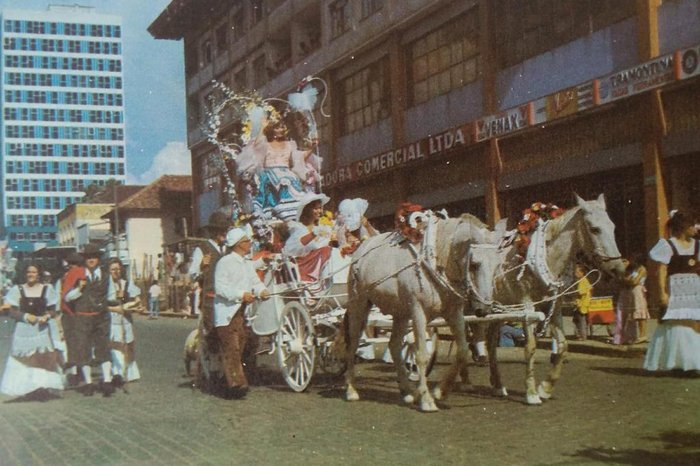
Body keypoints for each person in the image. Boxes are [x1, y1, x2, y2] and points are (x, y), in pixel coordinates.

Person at [213, 227, 270, 398]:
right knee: (233, 348)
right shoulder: (225, 262)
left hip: (243, 313)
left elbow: (254, 281)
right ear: (238, 245)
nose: (249, 243)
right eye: (246, 241)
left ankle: (234, 380)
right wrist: (241, 295)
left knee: (245, 345)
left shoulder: (246, 263)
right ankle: (236, 385)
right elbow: (220, 288)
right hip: (227, 314)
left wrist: (262, 291)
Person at [644, 210, 700, 373]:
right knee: (675, 325)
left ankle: (692, 362)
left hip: (694, 289)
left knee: (693, 324)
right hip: (675, 289)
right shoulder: (668, 245)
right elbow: (661, 270)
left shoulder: (697, 245)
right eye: (692, 225)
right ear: (683, 227)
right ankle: (676, 362)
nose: (695, 228)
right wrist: (663, 293)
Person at [0, 264, 64, 400]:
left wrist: (46, 317)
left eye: (34, 272)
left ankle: (41, 387)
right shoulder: (17, 290)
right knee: (25, 358)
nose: (31, 274)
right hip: (23, 330)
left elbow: (53, 310)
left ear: (38, 274)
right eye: (29, 272)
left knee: (41, 357)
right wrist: (25, 316)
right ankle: (27, 387)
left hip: (41, 329)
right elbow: (11, 311)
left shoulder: (47, 289)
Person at [63, 244, 115, 396]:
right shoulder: (76, 274)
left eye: (94, 257)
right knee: (84, 349)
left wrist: (108, 304)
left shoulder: (106, 276)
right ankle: (89, 383)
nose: (91, 260)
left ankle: (106, 381)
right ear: (84, 259)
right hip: (83, 318)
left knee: (103, 347)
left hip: (101, 317)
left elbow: (111, 296)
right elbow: (67, 297)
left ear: (98, 259)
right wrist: (79, 289)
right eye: (88, 257)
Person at [188, 211, 230, 390]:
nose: (223, 234)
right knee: (212, 335)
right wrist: (202, 267)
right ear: (213, 232)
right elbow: (192, 273)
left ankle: (224, 372)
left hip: (227, 299)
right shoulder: (202, 249)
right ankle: (214, 373)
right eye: (220, 231)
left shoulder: (227, 250)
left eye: (225, 230)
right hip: (210, 298)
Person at [251, 119, 320, 222]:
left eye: (282, 127)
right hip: (270, 173)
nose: (280, 130)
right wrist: (262, 126)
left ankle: (294, 213)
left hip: (287, 172)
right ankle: (279, 210)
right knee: (283, 180)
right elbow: (256, 146)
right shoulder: (266, 144)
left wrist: (312, 148)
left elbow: (299, 158)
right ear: (271, 130)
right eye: (277, 127)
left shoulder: (289, 144)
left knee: (291, 180)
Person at [283, 192, 333, 282]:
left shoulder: (323, 228)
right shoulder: (299, 228)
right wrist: (313, 234)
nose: (319, 211)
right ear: (307, 210)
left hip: (324, 266)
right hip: (304, 267)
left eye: (320, 208)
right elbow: (291, 249)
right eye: (315, 208)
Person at [107, 259, 141, 386]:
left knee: (127, 345)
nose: (116, 272)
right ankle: (117, 373)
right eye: (113, 269)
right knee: (115, 346)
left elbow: (137, 300)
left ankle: (129, 373)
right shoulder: (106, 286)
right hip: (112, 319)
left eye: (118, 269)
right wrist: (114, 308)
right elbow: (101, 305)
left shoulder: (126, 284)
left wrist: (133, 305)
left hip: (125, 319)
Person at [58, 252, 86, 386]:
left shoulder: (75, 273)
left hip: (73, 314)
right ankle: (76, 373)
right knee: (75, 344)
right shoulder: (73, 275)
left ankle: (76, 373)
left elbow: (67, 296)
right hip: (72, 314)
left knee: (74, 344)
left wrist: (80, 290)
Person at [614, 255, 649, 345]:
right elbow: (625, 280)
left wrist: (628, 280)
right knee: (634, 313)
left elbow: (634, 281)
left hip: (638, 291)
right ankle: (632, 335)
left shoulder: (642, 269)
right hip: (632, 292)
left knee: (640, 312)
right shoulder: (633, 270)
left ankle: (643, 334)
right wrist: (627, 279)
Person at [572, 263, 592, 341]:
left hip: (582, 304)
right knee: (576, 320)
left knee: (581, 321)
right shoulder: (581, 281)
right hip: (580, 303)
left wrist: (575, 292)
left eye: (577, 272)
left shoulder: (583, 281)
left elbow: (581, 292)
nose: (576, 274)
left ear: (582, 273)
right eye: (575, 272)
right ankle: (579, 335)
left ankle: (583, 336)